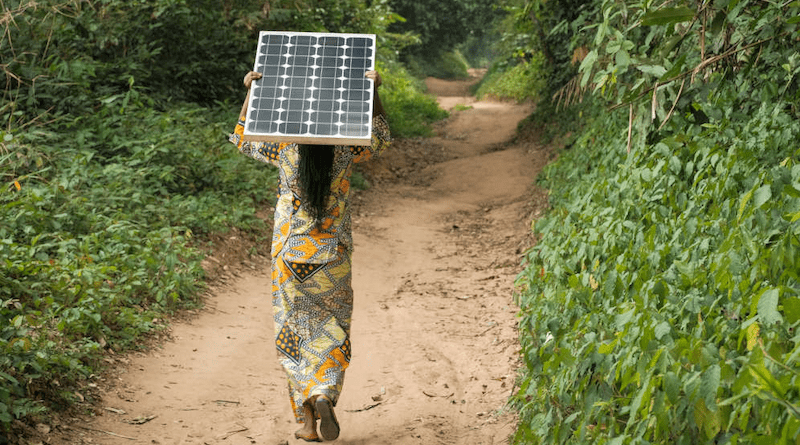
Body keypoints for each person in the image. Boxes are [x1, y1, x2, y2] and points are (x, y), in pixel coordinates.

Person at [229, 69, 391, 442]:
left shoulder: (285, 144)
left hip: (289, 252)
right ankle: (323, 392)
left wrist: (252, 92)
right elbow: (381, 136)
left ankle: (306, 423)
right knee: (331, 328)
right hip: (332, 253)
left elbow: (243, 137)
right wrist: (373, 91)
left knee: (293, 332)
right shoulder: (345, 146)